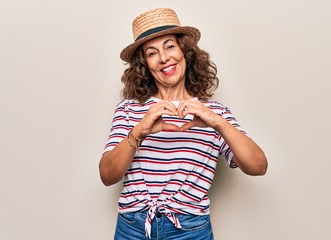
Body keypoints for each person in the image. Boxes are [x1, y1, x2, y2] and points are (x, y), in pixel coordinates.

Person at [99, 8, 267, 240]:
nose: (164, 58)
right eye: (152, 53)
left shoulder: (214, 113)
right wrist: (140, 131)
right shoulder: (129, 110)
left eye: (170, 46)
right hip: (133, 228)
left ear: (185, 52)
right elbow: (107, 176)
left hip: (190, 230)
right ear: (144, 64)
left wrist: (217, 123)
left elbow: (258, 167)